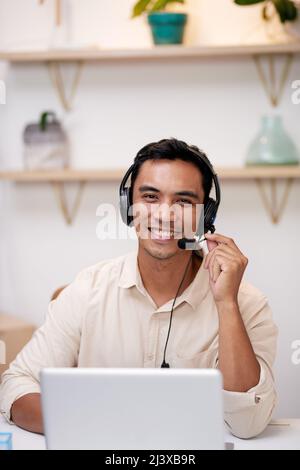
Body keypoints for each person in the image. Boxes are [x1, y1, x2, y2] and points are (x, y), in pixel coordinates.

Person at [0, 138, 277, 438]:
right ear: (128, 206)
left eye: (183, 201)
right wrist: (99, 429)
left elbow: (248, 423)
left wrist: (226, 305)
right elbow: (17, 385)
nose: (164, 214)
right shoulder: (87, 289)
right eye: (150, 197)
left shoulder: (246, 303)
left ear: (205, 216)